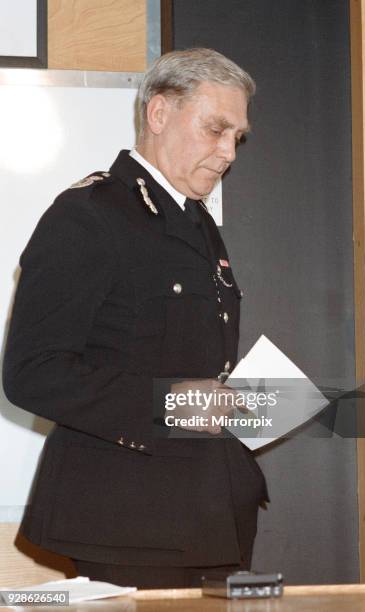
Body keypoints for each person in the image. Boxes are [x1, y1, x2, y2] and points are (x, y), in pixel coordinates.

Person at [2, 48, 269, 589]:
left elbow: (181, 360)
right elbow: (32, 371)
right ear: (159, 113)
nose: (228, 153)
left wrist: (243, 405)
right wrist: (170, 403)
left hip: (211, 514)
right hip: (126, 520)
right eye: (216, 129)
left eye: (236, 137)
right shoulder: (89, 215)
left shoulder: (197, 223)